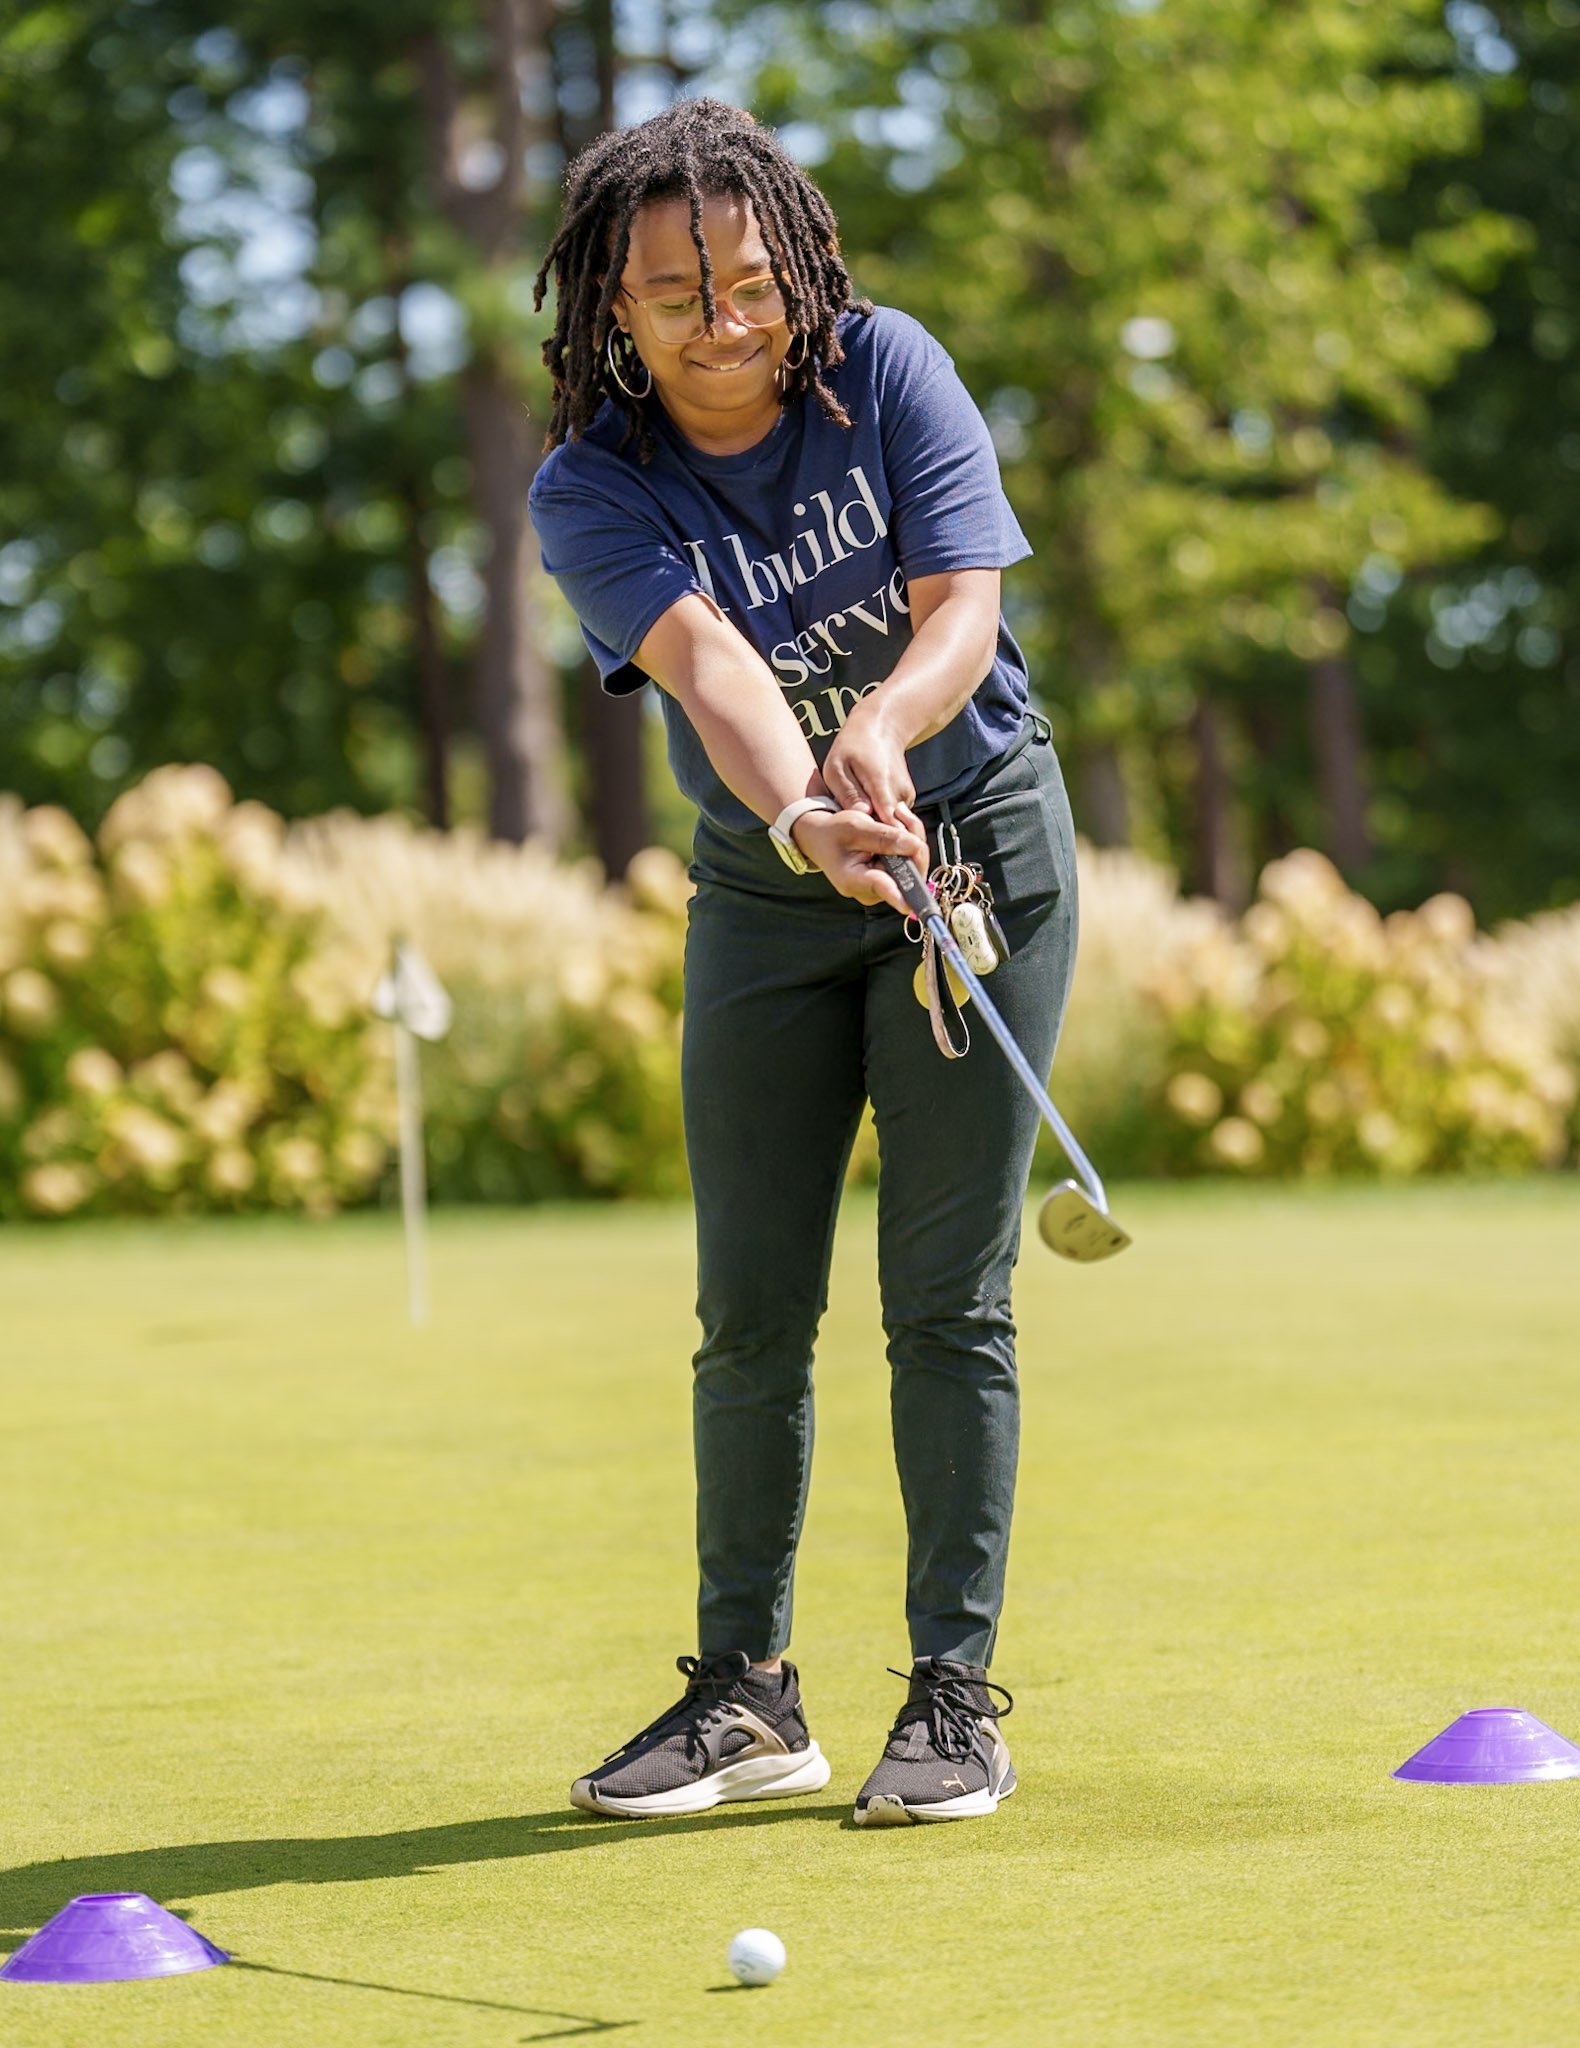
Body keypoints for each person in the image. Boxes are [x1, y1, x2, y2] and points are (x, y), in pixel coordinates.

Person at [527, 98, 1077, 1828]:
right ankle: (747, 1697)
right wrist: (804, 821)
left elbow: (959, 613)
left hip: (970, 846)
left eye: (749, 279)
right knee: (749, 1305)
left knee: (946, 1298)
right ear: (614, 307)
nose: (723, 319)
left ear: (797, 265)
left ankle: (953, 1697)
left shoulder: (887, 368)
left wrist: (892, 739)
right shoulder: (589, 486)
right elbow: (714, 670)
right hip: (770, 890)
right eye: (676, 293)